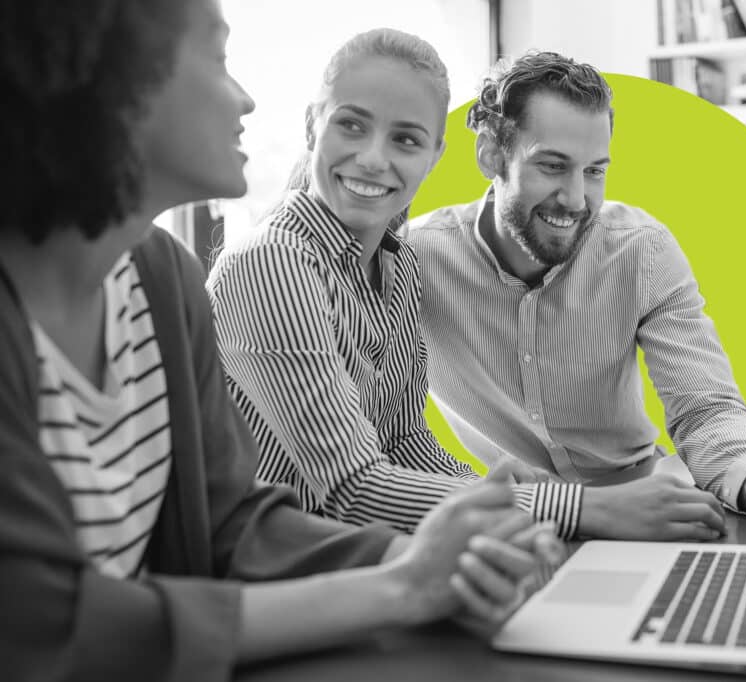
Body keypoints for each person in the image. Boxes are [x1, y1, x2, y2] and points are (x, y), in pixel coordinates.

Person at [0, 3, 562, 680]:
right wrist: (401, 585)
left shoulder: (161, 278)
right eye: (218, 58)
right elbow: (41, 628)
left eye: (408, 139)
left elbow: (236, 522)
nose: (244, 97)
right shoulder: (265, 261)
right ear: (111, 81)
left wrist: (450, 556)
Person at [407, 51, 746, 543]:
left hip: (644, 508)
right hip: (512, 521)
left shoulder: (641, 251)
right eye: (553, 166)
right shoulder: (415, 261)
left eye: (595, 171)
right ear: (491, 155)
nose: (577, 198)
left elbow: (704, 408)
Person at [207, 29, 588, 538]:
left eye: (406, 139)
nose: (372, 158)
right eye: (351, 126)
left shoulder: (399, 267)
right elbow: (353, 489)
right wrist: (567, 509)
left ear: (434, 156)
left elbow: (406, 441)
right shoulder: (271, 263)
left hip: (365, 564)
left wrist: (496, 496)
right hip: (270, 578)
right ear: (311, 126)